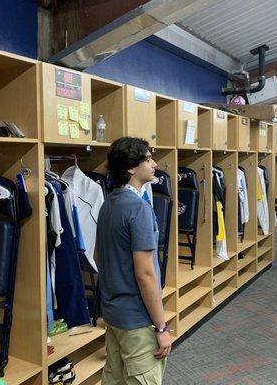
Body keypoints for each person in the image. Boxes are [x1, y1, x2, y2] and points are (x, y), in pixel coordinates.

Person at [97, 137, 170, 385]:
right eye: (148, 159)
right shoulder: (139, 209)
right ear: (131, 168)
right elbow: (145, 274)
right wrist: (161, 328)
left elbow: (98, 257)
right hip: (137, 320)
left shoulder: (109, 203)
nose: (154, 164)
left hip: (114, 315)